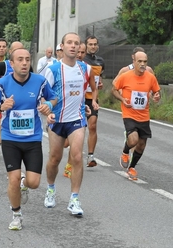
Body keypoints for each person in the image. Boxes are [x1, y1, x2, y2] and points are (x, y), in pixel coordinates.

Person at [0, 48, 57, 230]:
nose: (24, 63)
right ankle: (16, 214)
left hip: (32, 139)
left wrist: (48, 104)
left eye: (27, 59)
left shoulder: (40, 81)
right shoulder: (2, 84)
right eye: (20, 60)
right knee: (13, 179)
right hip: (10, 138)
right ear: (12, 63)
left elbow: (54, 98)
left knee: (33, 183)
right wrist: (2, 107)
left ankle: (24, 183)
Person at [43, 32, 96, 216]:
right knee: (54, 159)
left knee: (76, 157)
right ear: (62, 46)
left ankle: (74, 198)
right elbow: (42, 94)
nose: (73, 46)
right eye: (69, 43)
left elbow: (88, 89)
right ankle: (50, 189)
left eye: (76, 43)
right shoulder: (53, 69)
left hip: (77, 120)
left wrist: (88, 105)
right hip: (57, 121)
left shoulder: (85, 69)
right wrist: (47, 113)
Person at [112, 51, 161, 180]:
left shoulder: (150, 77)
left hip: (144, 115)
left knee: (141, 144)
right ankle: (125, 152)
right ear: (134, 62)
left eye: (145, 62)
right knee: (133, 139)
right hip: (129, 113)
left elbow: (157, 92)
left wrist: (157, 97)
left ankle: (132, 167)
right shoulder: (125, 76)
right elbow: (114, 89)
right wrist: (122, 100)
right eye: (140, 61)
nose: (142, 64)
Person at [63, 42, 98, 178]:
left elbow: (94, 88)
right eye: (78, 52)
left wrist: (94, 101)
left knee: (77, 141)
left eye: (82, 52)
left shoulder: (88, 69)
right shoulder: (63, 67)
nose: (79, 55)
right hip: (67, 107)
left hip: (82, 106)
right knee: (65, 143)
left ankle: (70, 165)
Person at [83, 35, 105, 167]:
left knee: (92, 124)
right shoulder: (81, 59)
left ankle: (91, 156)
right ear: (86, 45)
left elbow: (98, 79)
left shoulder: (100, 61)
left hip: (92, 98)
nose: (92, 46)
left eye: (95, 44)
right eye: (90, 44)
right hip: (79, 98)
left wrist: (100, 84)